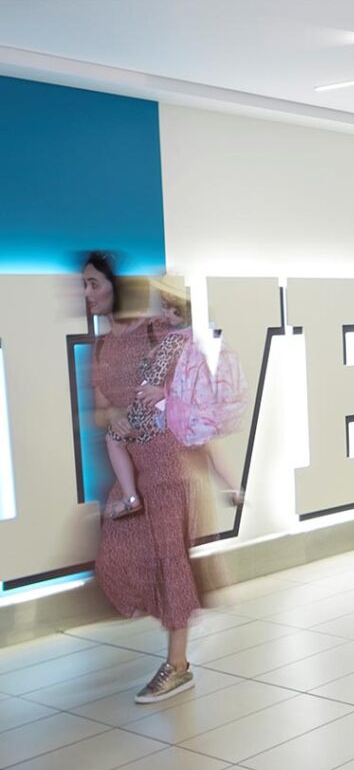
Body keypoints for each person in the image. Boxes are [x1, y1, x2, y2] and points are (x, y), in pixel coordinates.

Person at [85, 252, 210, 703]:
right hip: (130, 465)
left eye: (94, 283)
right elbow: (101, 410)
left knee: (170, 557)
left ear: (116, 286)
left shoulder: (156, 331)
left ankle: (178, 665)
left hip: (164, 458)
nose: (87, 294)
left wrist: (163, 396)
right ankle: (171, 623)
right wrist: (115, 416)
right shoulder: (101, 346)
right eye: (84, 285)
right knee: (115, 557)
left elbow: (195, 384)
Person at [101, 274, 245, 511]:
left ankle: (130, 498)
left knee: (113, 438)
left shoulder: (172, 342)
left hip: (164, 411)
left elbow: (155, 376)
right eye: (164, 307)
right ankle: (234, 488)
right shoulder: (203, 335)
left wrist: (151, 371)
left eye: (170, 308)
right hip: (197, 411)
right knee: (208, 445)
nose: (165, 313)